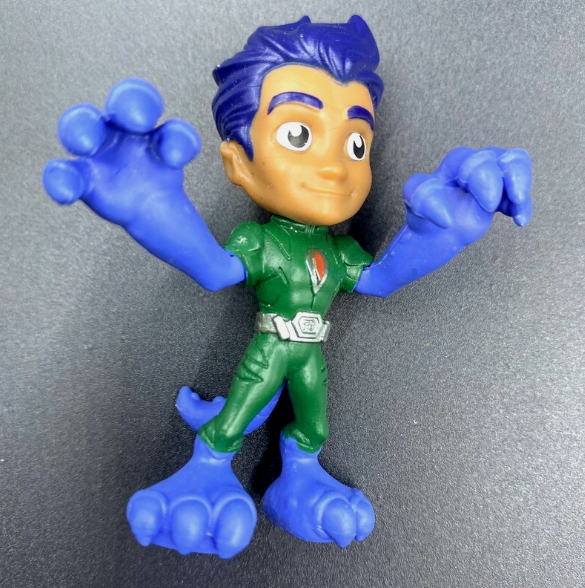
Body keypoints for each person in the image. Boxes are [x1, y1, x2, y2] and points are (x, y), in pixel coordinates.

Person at [43, 15, 533, 558]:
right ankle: (206, 470)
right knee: (238, 414)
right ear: (238, 162)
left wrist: (443, 234)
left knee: (314, 424)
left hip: (309, 355)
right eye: (298, 134)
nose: (334, 167)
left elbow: (381, 280)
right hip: (270, 348)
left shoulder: (338, 250)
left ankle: (297, 481)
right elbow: (215, 269)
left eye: (355, 144)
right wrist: (153, 210)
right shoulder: (261, 242)